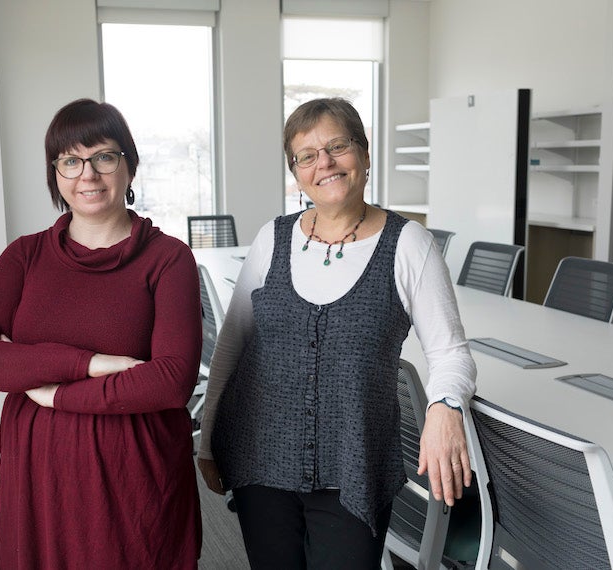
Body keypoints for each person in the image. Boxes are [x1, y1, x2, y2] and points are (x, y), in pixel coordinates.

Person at [197, 97, 476, 569]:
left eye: (337, 146)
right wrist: (207, 442)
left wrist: (446, 407)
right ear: (297, 173)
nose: (323, 162)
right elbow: (232, 344)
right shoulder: (273, 238)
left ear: (364, 155)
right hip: (258, 457)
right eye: (306, 155)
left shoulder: (409, 244)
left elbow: (451, 354)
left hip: (355, 466)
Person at [0, 98, 203, 569]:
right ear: (56, 174)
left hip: (135, 475)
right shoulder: (23, 257)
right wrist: (89, 364)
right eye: (71, 160)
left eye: (104, 156)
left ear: (129, 166)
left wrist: (55, 395)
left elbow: (171, 381)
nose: (87, 174)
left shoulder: (168, 259)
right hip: (38, 475)